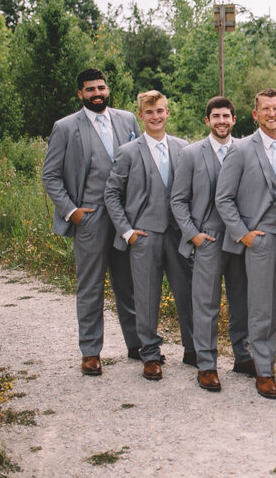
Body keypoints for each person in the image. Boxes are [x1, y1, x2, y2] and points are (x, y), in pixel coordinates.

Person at [41, 68, 141, 376]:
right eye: (89, 89)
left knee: (129, 284)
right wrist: (73, 212)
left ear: (107, 89)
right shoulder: (65, 127)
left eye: (100, 87)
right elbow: (51, 175)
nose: (97, 93)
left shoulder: (127, 120)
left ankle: (138, 344)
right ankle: (90, 352)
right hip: (90, 218)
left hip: (124, 216)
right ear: (80, 94)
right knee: (91, 287)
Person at [215, 89, 276, 399]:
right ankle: (264, 370)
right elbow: (223, 198)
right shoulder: (239, 150)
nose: (271, 113)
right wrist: (245, 234)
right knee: (262, 308)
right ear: (255, 115)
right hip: (261, 239)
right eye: (265, 109)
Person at [104, 90, 193, 380]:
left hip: (178, 235)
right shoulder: (128, 152)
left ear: (168, 113)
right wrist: (127, 231)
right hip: (144, 235)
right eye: (149, 112)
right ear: (140, 115)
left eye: (160, 111)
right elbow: (111, 194)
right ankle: (150, 355)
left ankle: (194, 349)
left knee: (188, 293)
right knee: (146, 297)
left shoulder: (184, 148)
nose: (156, 116)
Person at [170, 96, 254, 391]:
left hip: (240, 236)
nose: (221, 121)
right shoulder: (191, 154)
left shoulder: (245, 150)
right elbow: (178, 199)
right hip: (208, 237)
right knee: (206, 303)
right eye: (216, 116)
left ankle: (243, 355)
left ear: (234, 120)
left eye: (226, 116)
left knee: (241, 300)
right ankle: (206, 364)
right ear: (207, 120)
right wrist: (193, 234)